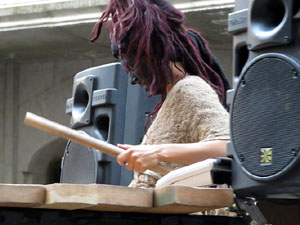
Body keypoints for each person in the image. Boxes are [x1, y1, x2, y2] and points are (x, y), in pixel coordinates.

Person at [91, 0, 230, 188]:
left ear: (153, 54)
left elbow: (228, 147)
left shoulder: (189, 89)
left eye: (132, 66)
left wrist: (157, 153)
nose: (132, 79)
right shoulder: (173, 100)